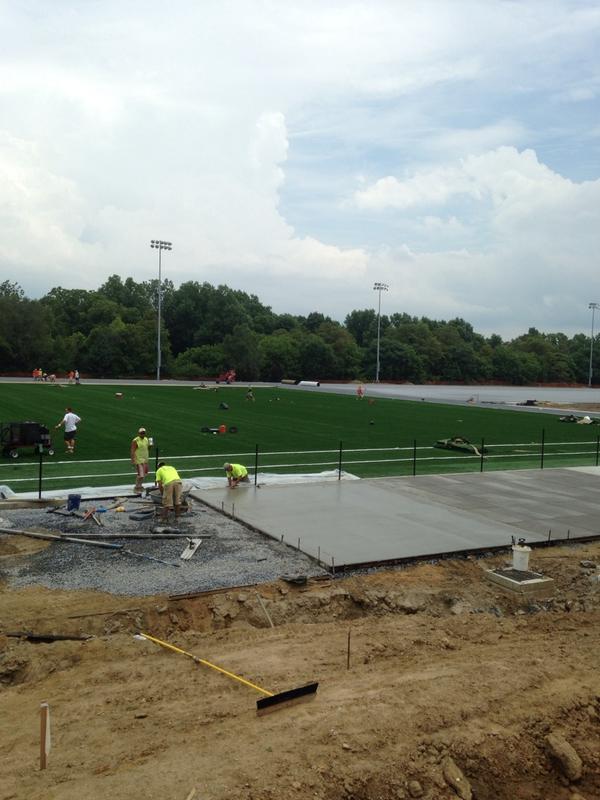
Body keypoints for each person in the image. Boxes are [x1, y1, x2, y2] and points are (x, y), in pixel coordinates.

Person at [130, 427, 152, 495]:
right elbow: (132, 450)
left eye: (143, 433)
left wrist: (151, 445)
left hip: (145, 459)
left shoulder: (146, 439)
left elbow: (147, 448)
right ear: (139, 433)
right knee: (141, 475)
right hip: (139, 459)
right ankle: (136, 487)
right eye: (141, 433)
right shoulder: (135, 440)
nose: (142, 434)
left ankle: (140, 486)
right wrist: (133, 459)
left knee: (144, 474)